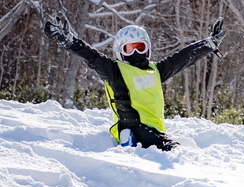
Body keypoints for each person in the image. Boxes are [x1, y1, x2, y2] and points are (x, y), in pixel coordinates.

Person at [41, 17, 225, 150]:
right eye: (130, 49)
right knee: (173, 151)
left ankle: (131, 144)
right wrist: (69, 41)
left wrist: (209, 44)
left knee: (165, 144)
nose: (136, 53)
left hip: (154, 129)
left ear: (148, 49)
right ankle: (129, 141)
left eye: (140, 47)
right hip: (131, 124)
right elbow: (91, 57)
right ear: (120, 52)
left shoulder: (156, 70)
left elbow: (182, 59)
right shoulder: (114, 70)